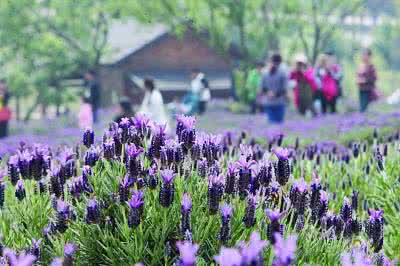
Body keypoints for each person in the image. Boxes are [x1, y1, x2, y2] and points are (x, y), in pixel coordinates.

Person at [260, 53, 288, 124]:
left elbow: (262, 88)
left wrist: (269, 93)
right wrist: (273, 94)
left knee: (273, 123)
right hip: (277, 102)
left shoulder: (264, 72)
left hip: (272, 101)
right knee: (277, 123)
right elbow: (284, 89)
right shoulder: (283, 72)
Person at [357, 48, 377, 112]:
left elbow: (374, 78)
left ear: (369, 56)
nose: (363, 56)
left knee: (364, 108)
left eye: (365, 54)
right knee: (362, 107)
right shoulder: (361, 65)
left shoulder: (371, 66)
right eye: (362, 54)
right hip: (361, 89)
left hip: (368, 90)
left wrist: (365, 80)